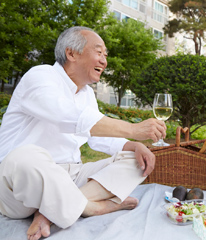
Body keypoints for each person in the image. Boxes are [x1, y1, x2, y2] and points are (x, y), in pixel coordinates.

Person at [0, 26, 167, 240]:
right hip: (21, 183)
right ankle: (91, 207)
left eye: (105, 55)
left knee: (136, 161)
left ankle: (48, 213)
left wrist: (133, 145)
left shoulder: (87, 94)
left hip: (70, 176)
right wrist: (134, 129)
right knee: (25, 155)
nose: (104, 61)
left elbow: (97, 136)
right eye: (99, 52)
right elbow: (65, 115)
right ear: (71, 53)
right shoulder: (41, 76)